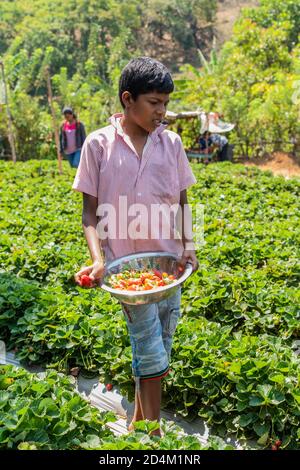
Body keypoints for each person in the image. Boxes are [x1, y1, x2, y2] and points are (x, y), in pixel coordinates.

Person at [72, 57, 199, 437]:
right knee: (150, 351)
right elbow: (89, 213)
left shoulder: (172, 143)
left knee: (160, 346)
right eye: (154, 102)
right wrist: (97, 261)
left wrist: (189, 245)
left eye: (165, 103)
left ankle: (138, 421)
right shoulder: (98, 145)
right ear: (128, 99)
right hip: (128, 274)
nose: (162, 111)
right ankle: (153, 436)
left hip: (169, 269)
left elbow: (183, 202)